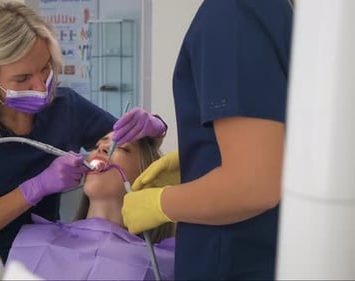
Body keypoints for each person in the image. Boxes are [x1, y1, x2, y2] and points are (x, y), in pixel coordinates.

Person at [0, 1, 167, 263]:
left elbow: (135, 149)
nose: (40, 86)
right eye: (23, 78)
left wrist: (155, 125)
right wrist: (34, 189)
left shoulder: (65, 107)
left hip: (47, 255)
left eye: (45, 68)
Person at [120, 0, 294, 280]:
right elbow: (272, 141)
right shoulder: (263, 10)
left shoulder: (232, 11)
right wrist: (202, 158)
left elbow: (254, 186)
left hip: (235, 261)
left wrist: (160, 204)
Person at [6, 132, 176, 280]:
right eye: (97, 145)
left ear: (147, 176)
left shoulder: (162, 262)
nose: (101, 147)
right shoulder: (35, 240)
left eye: (122, 148)